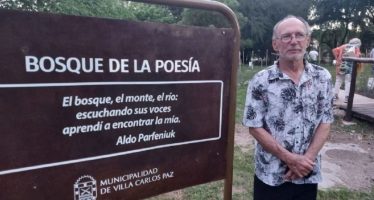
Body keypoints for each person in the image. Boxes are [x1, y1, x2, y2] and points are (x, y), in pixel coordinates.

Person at [242, 15, 334, 200]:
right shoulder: (261, 80)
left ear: (307, 41)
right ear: (275, 44)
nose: (294, 41)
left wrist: (306, 160)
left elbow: (325, 121)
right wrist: (291, 160)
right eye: (286, 36)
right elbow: (254, 127)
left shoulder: (322, 77)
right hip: (271, 175)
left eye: (299, 35)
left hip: (307, 174)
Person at [332, 38, 361, 103]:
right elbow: (358, 57)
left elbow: (334, 50)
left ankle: (335, 95)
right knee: (348, 82)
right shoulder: (356, 48)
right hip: (349, 68)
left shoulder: (343, 46)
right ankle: (346, 98)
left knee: (338, 81)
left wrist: (337, 59)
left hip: (340, 66)